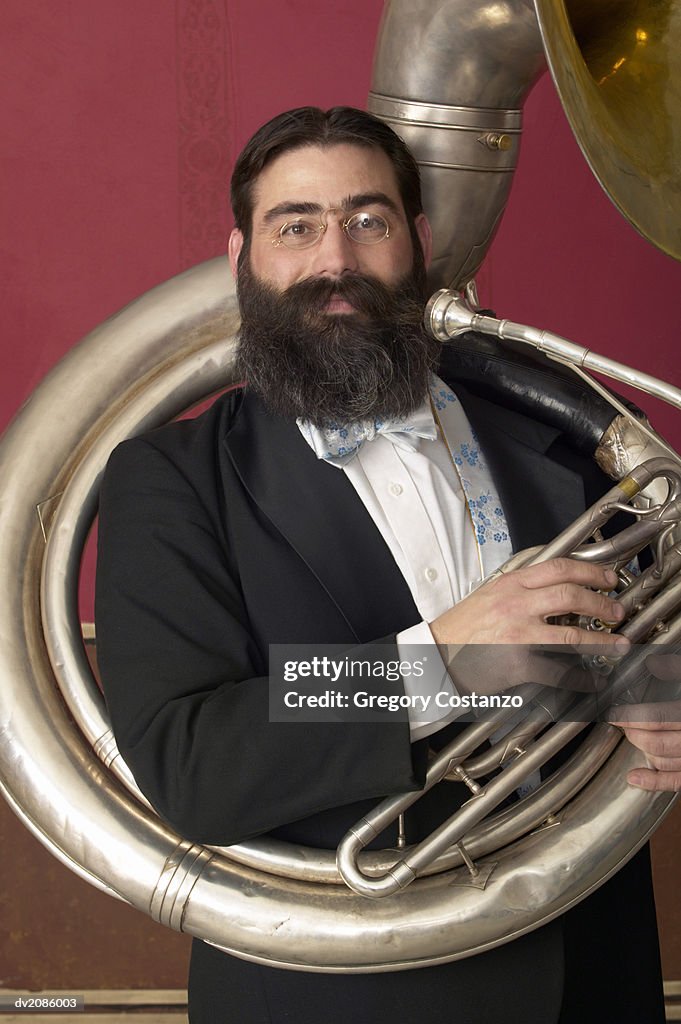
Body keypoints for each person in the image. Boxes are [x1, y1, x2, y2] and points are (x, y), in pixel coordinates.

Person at [95, 106, 680, 1024]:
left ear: (418, 239)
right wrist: (436, 662)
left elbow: (631, 632)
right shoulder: (170, 481)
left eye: (368, 221)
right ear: (242, 253)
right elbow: (191, 757)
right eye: (297, 227)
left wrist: (660, 688)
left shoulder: (559, 430)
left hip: (594, 967)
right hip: (340, 1000)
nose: (335, 259)